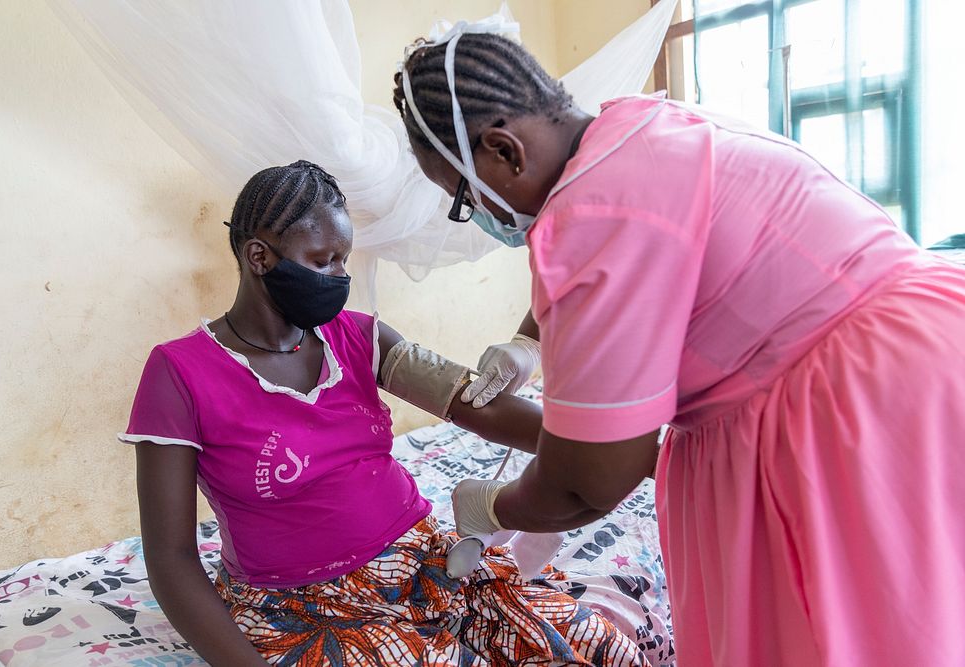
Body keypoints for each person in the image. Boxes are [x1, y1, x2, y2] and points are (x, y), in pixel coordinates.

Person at [392, 27, 965, 666]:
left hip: (847, 411)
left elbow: (586, 483)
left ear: (504, 151)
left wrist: (489, 506)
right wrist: (529, 342)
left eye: (464, 198)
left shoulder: (585, 215)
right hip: (927, 342)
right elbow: (635, 251)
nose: (479, 216)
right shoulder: (641, 125)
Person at [120, 160, 647, 666]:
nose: (340, 276)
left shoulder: (359, 336)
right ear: (259, 257)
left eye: (344, 259)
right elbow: (170, 559)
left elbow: (473, 405)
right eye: (323, 260)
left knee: (598, 648)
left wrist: (623, 448)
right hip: (308, 608)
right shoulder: (180, 373)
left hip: (429, 565)